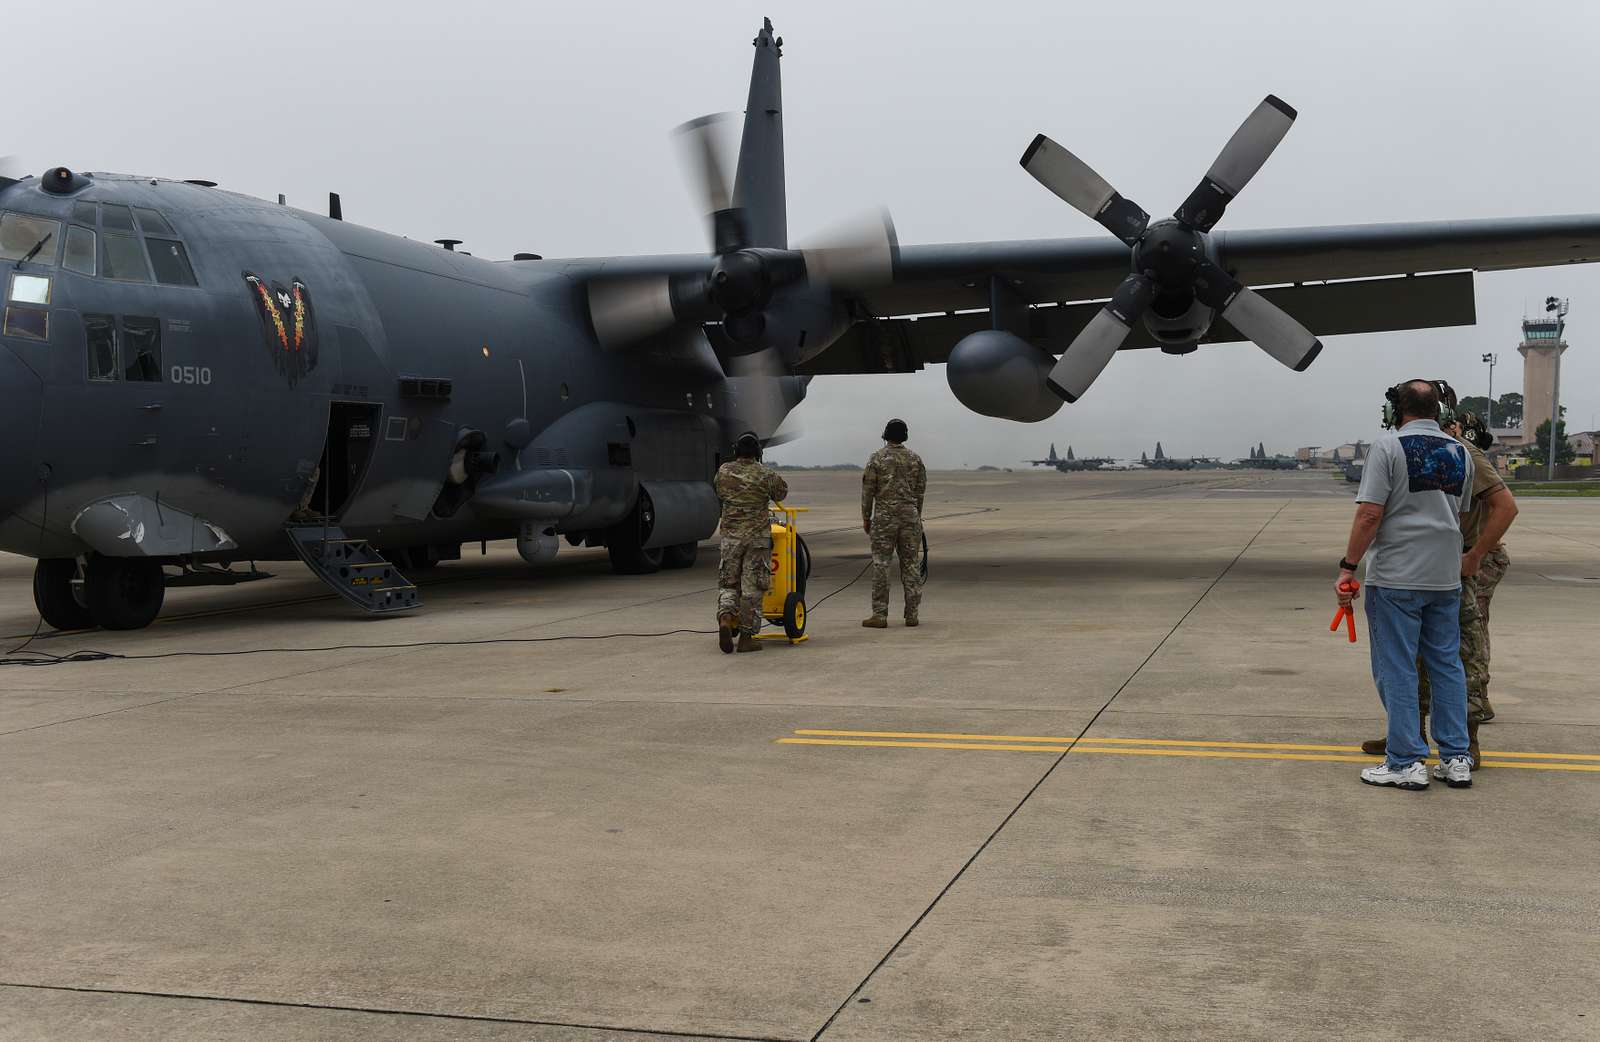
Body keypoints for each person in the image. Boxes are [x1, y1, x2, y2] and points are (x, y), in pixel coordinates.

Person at [1360, 403, 1518, 767]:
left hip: (1464, 563)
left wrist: (1476, 554)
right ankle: (1408, 734)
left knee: (1463, 651)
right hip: (1435, 566)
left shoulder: (1460, 452)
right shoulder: (1430, 449)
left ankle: (1467, 741)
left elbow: (1505, 507)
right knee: (1416, 657)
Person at [1338, 379, 1474, 790]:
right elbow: (1460, 513)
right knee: (1447, 665)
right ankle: (1456, 758)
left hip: (1397, 576)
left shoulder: (1387, 447)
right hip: (1444, 577)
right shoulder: (1460, 452)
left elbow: (1369, 515)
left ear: (1395, 412)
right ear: (1440, 412)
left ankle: (1405, 760)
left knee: (1397, 667)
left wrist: (1348, 566)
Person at [713, 430, 788, 654]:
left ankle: (726, 618)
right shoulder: (766, 474)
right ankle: (746, 637)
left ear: (736, 451)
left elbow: (718, 491)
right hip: (756, 540)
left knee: (728, 583)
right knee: (752, 588)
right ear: (757, 452)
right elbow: (782, 493)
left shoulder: (724, 471)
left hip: (730, 539)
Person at [861, 418, 927, 628]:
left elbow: (868, 491)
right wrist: (916, 516)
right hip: (910, 518)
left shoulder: (877, 458)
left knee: (881, 564)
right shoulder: (915, 459)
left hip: (884, 519)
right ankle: (912, 614)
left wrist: (866, 517)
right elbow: (920, 491)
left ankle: (879, 615)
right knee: (911, 566)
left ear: (886, 435)